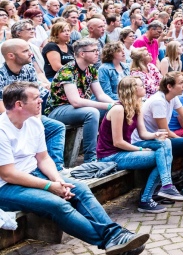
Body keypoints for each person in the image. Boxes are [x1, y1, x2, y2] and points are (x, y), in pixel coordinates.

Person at [0, 81, 151, 255]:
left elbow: (43, 158)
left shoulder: (34, 123)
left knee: (80, 189)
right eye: (36, 98)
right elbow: (8, 174)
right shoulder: (2, 130)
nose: (41, 100)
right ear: (19, 104)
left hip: (34, 173)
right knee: (57, 204)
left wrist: (57, 179)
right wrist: (50, 186)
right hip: (6, 187)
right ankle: (111, 240)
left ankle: (114, 236)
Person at [97, 76, 183, 213]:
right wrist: (139, 148)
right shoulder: (118, 110)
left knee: (165, 143)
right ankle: (147, 198)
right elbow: (118, 142)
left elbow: (144, 134)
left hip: (125, 152)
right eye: (141, 85)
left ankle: (165, 186)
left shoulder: (137, 107)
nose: (145, 87)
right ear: (131, 90)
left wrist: (156, 135)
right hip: (111, 156)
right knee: (161, 157)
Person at [46, 38, 115, 163]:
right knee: (92, 112)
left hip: (76, 109)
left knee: (117, 109)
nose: (97, 53)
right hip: (58, 110)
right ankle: (90, 158)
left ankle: (110, 149)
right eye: (93, 50)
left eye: (97, 50)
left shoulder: (91, 69)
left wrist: (115, 104)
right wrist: (108, 106)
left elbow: (100, 95)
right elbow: (75, 101)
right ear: (82, 54)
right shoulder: (68, 70)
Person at [0, 40, 66, 171]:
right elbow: (1, 105)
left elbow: (37, 97)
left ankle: (56, 167)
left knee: (56, 127)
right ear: (11, 55)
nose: (31, 53)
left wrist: (37, 119)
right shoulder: (1, 74)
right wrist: (23, 122)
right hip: (9, 118)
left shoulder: (29, 69)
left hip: (28, 114)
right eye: (25, 51)